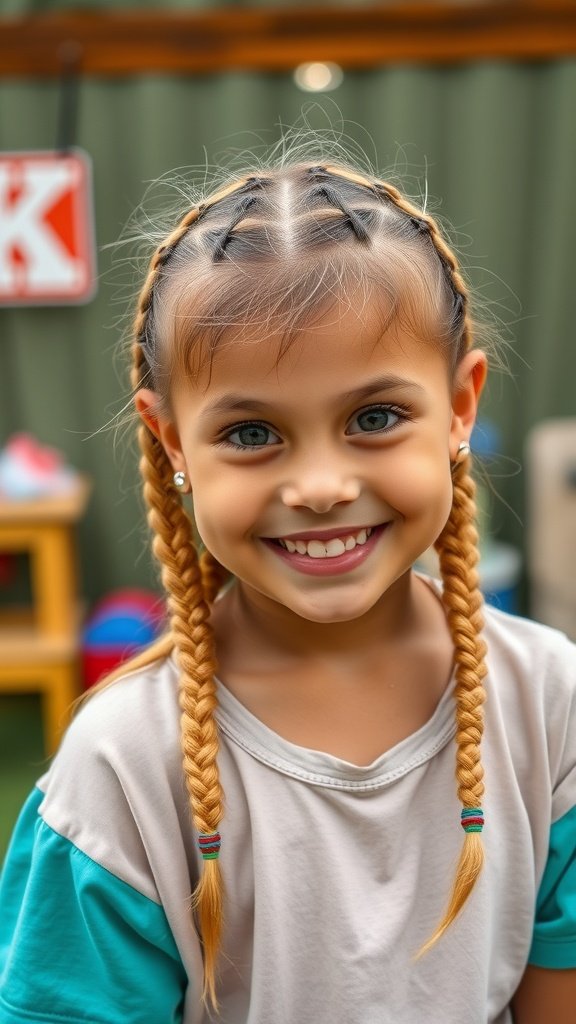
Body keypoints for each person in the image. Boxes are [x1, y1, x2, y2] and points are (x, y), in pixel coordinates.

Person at [1, 157, 575, 1024]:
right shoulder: (120, 769)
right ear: (172, 441)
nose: (319, 487)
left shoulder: (552, 708)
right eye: (251, 432)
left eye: (374, 418)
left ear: (461, 406)